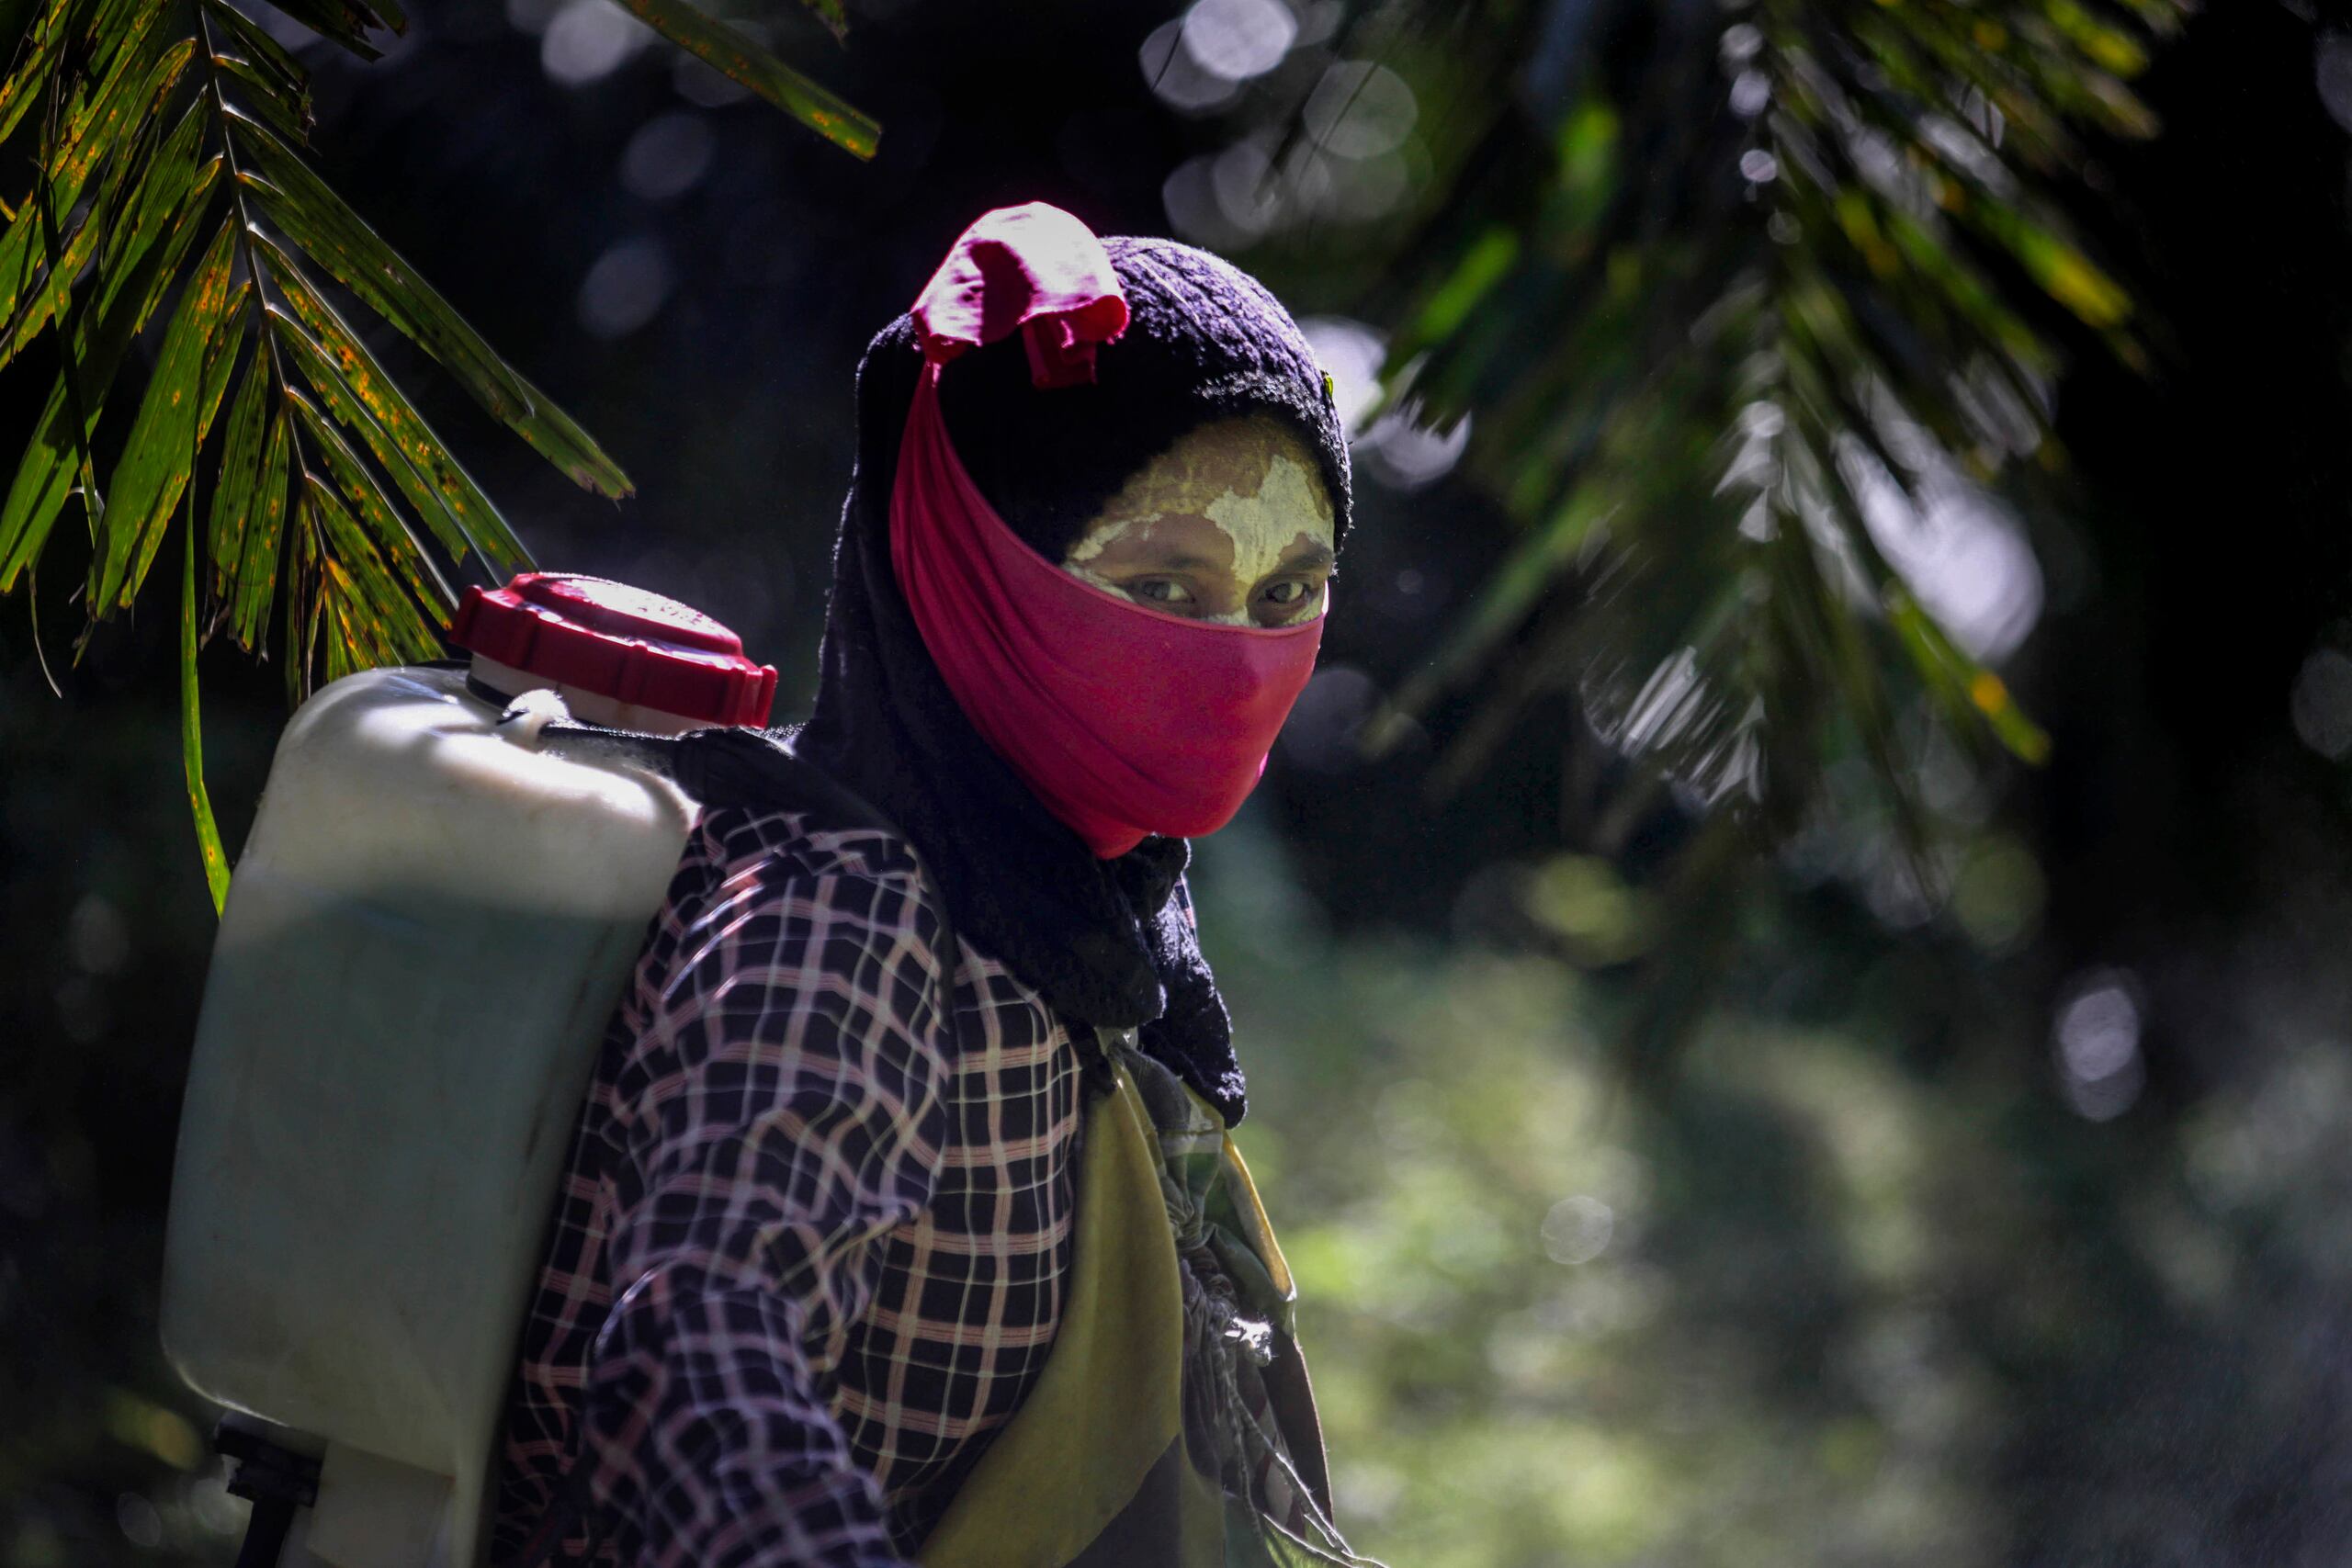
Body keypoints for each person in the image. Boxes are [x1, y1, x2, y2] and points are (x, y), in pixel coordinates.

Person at [490, 203, 1377, 1568]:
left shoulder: (1085, 897)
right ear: (970, 567)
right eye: (1163, 585)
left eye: (1286, 595)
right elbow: (697, 1344)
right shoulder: (840, 916)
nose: (1237, 659)